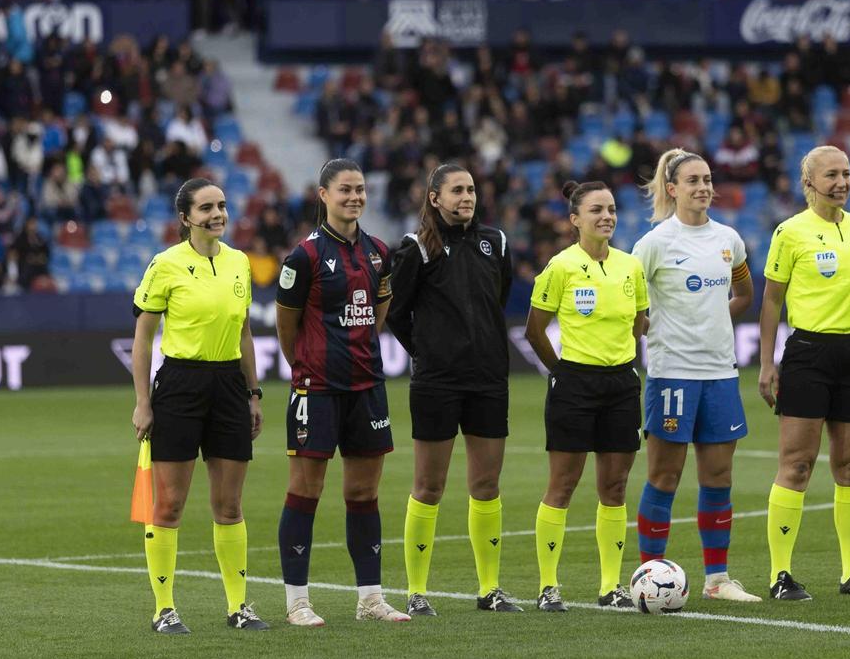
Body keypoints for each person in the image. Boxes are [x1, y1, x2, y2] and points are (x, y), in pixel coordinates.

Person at [274, 159, 410, 626]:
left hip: (367, 385)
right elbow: (286, 326)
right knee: (305, 489)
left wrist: (356, 351)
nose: (355, 197)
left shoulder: (378, 252)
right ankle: (297, 601)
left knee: (364, 491)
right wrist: (308, 367)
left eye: (360, 189)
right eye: (345, 190)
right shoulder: (304, 256)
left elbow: (380, 307)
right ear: (323, 195)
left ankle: (370, 599)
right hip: (317, 389)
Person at [130, 178, 267, 633]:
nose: (218, 214)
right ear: (185, 218)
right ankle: (163, 609)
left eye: (222, 205)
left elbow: (245, 332)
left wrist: (253, 393)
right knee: (169, 505)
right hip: (179, 386)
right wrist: (142, 403)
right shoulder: (165, 265)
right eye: (207, 207)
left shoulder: (240, 262)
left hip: (229, 385)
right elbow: (143, 339)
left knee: (230, 506)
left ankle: (239, 607)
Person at [757, 145, 850, 601]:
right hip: (809, 354)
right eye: (832, 175)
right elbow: (772, 301)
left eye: (848, 174)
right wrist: (766, 362)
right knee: (796, 464)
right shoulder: (789, 232)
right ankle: (780, 575)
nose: (842, 182)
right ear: (808, 183)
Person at [387, 163, 521, 616]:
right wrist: (427, 351)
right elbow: (395, 314)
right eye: (457, 190)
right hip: (437, 383)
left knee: (486, 484)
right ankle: (416, 590)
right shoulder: (415, 249)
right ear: (434, 198)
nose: (467, 196)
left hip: (487, 379)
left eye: (471, 189)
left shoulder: (495, 242)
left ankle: (490, 588)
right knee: (429, 486)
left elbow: (496, 299)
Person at [631, 149, 761, 603]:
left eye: (707, 179)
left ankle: (717, 580)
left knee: (719, 477)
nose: (703, 187)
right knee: (664, 477)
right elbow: (632, 306)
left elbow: (744, 293)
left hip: (720, 374)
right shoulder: (654, 244)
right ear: (673, 189)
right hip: (672, 375)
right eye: (693, 181)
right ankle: (649, 575)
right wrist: (656, 330)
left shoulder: (729, 239)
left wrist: (712, 320)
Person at [524, 180, 649, 612]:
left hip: (621, 384)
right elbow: (534, 330)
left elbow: (640, 321)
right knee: (563, 484)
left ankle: (611, 586)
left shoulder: (631, 266)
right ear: (575, 219)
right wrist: (561, 371)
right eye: (596, 210)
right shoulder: (560, 267)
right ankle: (548, 586)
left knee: (614, 487)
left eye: (611, 209)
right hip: (574, 383)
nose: (607, 217)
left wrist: (622, 357)